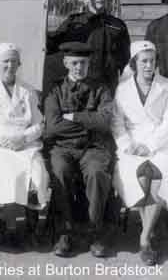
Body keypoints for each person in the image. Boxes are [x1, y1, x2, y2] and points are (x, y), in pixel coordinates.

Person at [0, 43, 50, 247]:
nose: (10, 66)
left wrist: (23, 138)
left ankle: (31, 223)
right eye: (5, 61)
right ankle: (9, 225)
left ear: (19, 64)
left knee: (38, 173)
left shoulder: (28, 91)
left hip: (25, 145)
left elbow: (40, 124)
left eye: (14, 61)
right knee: (10, 174)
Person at [43, 42, 115, 258]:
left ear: (89, 64)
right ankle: (65, 232)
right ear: (65, 63)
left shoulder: (101, 88)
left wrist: (73, 117)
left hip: (93, 147)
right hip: (63, 148)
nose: (78, 67)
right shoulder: (55, 90)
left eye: (83, 63)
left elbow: (104, 122)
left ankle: (95, 232)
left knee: (96, 173)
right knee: (60, 171)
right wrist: (88, 123)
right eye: (74, 63)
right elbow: (53, 126)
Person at [112, 41, 168, 266]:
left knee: (160, 175)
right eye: (144, 61)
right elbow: (117, 122)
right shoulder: (122, 89)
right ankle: (150, 232)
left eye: (152, 61)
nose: (149, 65)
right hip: (130, 144)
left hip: (160, 142)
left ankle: (144, 238)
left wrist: (150, 145)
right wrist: (127, 144)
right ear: (135, 63)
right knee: (139, 177)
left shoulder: (167, 85)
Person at [47, 0, 130, 91]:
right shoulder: (74, 23)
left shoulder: (118, 25)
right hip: (79, 89)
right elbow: (52, 45)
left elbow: (125, 61)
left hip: (107, 89)